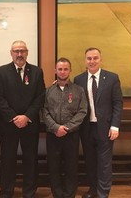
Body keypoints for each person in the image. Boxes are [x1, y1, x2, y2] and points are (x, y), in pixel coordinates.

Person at [0, 40, 45, 198]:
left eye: (22, 51)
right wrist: (14, 117)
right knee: (7, 161)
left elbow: (40, 97)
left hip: (30, 124)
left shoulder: (37, 71)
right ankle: (6, 192)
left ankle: (29, 192)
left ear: (27, 52)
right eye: (16, 51)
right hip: (9, 124)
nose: (19, 54)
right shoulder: (2, 71)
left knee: (30, 161)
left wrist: (27, 116)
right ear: (11, 53)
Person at [74, 47, 123, 198]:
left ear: (101, 60)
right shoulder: (79, 79)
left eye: (95, 58)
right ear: (85, 61)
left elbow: (118, 103)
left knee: (104, 163)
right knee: (90, 161)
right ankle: (93, 189)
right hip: (86, 128)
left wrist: (115, 125)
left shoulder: (112, 78)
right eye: (89, 58)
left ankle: (103, 193)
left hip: (105, 128)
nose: (92, 61)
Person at [43, 57, 87, 198]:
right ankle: (57, 193)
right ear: (55, 70)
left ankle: (69, 194)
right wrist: (56, 128)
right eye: (60, 69)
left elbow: (82, 111)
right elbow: (44, 111)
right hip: (53, 135)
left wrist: (67, 128)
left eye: (65, 69)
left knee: (71, 166)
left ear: (70, 71)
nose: (62, 72)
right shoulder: (48, 91)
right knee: (54, 166)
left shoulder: (79, 90)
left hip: (71, 135)